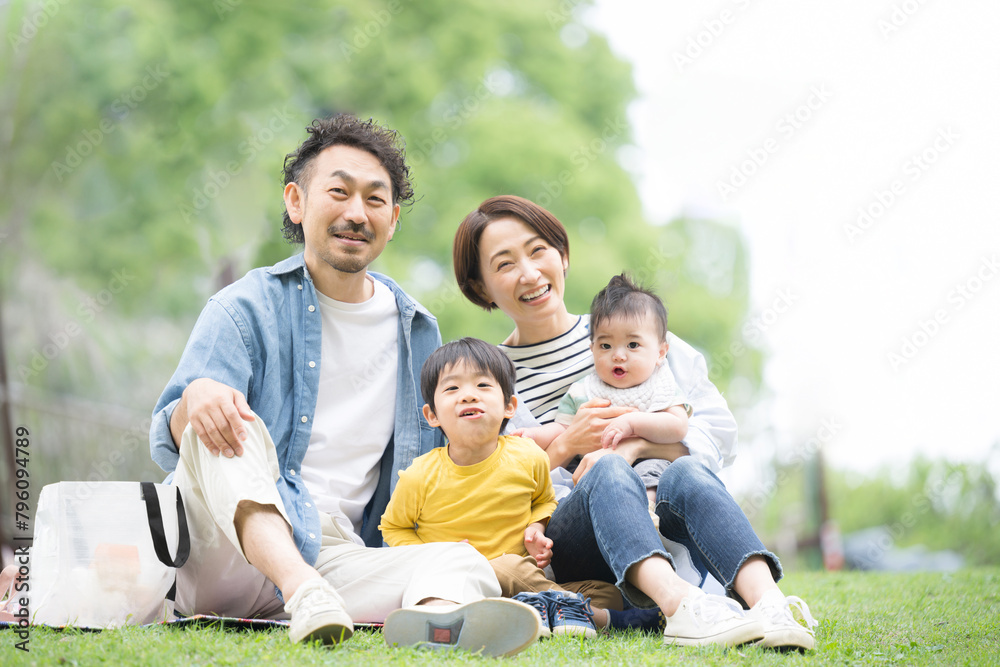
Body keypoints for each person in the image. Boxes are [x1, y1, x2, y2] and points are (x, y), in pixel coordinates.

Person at [148, 116, 539, 657]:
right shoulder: (243, 307)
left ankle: (429, 624)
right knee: (225, 425)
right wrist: (196, 399)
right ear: (296, 202)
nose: (357, 214)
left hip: (336, 553)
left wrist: (566, 445)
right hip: (226, 548)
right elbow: (171, 441)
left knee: (461, 558)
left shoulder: (417, 331)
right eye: (338, 192)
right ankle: (302, 592)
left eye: (375, 200)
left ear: (393, 219)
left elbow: (466, 442)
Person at [451, 194, 819, 650]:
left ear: (562, 256)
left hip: (662, 517)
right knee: (606, 470)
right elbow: (488, 490)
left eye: (538, 250)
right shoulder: (488, 378)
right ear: (481, 286)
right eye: (504, 264)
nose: (529, 273)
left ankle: (772, 606)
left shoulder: (634, 328)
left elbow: (718, 436)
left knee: (682, 469)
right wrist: (567, 448)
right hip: (571, 543)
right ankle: (680, 607)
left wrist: (635, 447)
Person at [381, 337, 620, 639]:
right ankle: (577, 612)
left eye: (482, 386)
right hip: (463, 581)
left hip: (526, 576)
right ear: (432, 415)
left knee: (604, 591)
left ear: (509, 406)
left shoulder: (528, 455)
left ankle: (536, 609)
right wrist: (437, 554)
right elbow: (393, 529)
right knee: (506, 566)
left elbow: (544, 501)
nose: (468, 396)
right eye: (452, 388)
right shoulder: (420, 475)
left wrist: (537, 525)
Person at [516, 273, 691, 497]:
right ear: (592, 350)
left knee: (655, 472)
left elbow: (678, 426)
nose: (618, 355)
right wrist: (535, 435)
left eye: (633, 344)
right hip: (598, 477)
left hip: (648, 462)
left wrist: (632, 423)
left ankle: (648, 508)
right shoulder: (583, 391)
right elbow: (563, 429)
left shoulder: (659, 385)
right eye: (606, 345)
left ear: (660, 353)